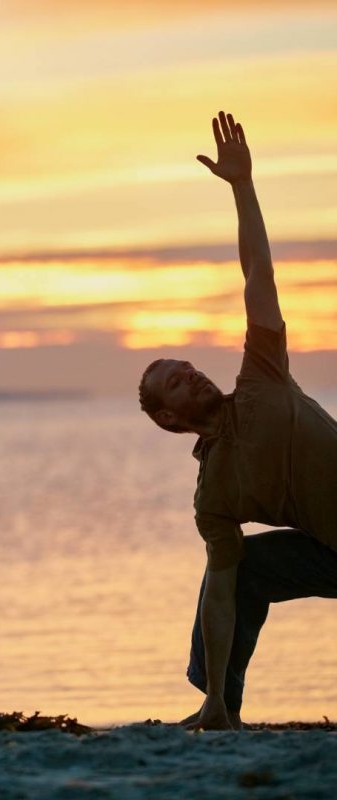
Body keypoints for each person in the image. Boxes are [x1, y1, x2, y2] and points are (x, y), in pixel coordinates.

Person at [138, 112, 337, 731]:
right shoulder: (213, 494)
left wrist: (242, 188)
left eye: (189, 365)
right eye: (177, 379)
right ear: (170, 419)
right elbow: (222, 594)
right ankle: (220, 705)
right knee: (235, 570)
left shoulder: (260, 378)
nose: (193, 373)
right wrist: (216, 696)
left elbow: (258, 275)